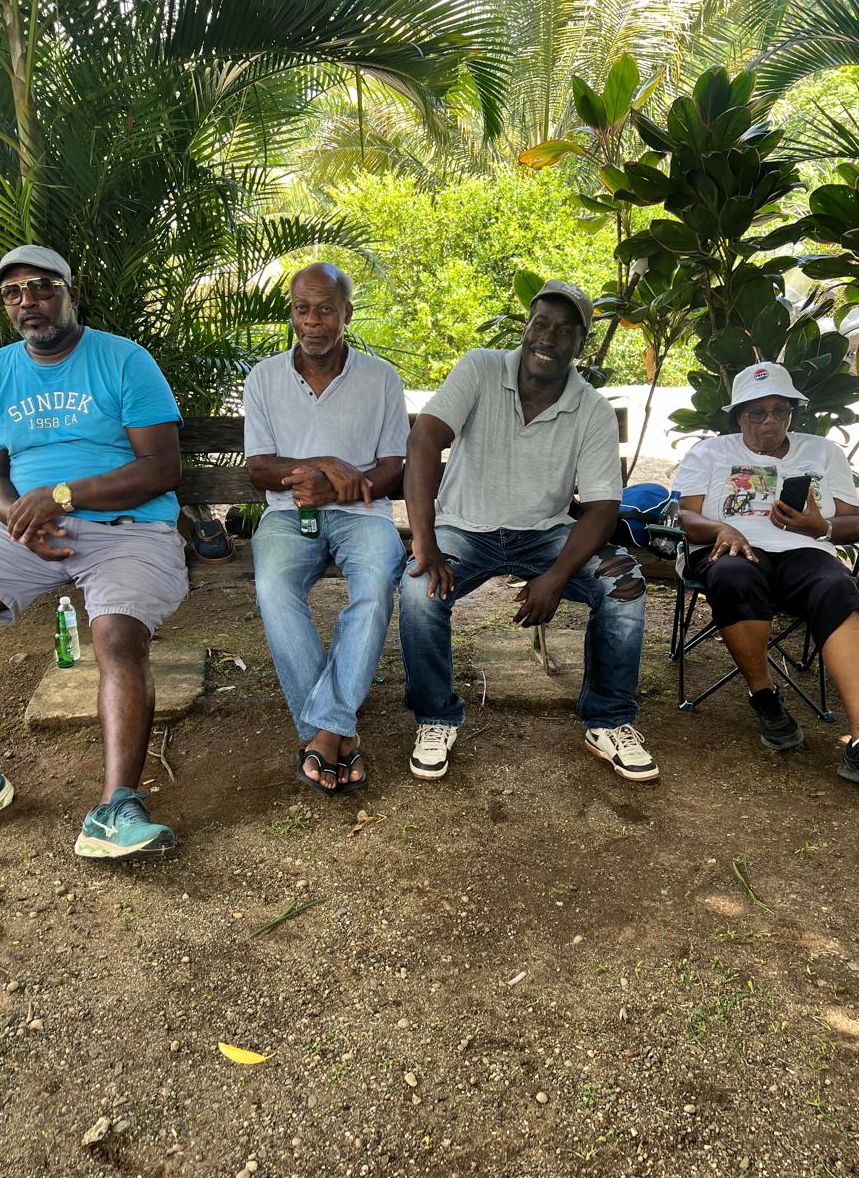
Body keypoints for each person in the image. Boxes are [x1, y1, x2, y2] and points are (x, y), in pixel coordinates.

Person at [0, 245, 188, 855]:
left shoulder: (124, 360)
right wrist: (18, 516)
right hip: (28, 530)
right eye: (13, 293)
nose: (28, 301)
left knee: (116, 633)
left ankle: (116, 807)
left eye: (42, 286)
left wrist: (60, 496)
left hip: (129, 528)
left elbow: (162, 468)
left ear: (70, 291)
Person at [399, 279, 658, 783]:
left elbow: (603, 509)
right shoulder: (480, 368)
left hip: (545, 534)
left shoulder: (592, 410)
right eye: (540, 323)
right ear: (526, 326)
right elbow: (425, 439)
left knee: (624, 583)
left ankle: (608, 721)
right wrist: (424, 542)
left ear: (580, 344)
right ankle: (435, 718)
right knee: (417, 589)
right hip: (464, 529)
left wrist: (556, 577)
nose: (548, 338)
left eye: (564, 331)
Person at [244, 262, 409, 795]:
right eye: (302, 310)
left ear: (347, 315)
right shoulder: (264, 377)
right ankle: (338, 730)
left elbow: (393, 467)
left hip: (362, 516)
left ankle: (324, 732)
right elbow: (258, 468)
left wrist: (335, 487)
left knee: (376, 587)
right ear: (292, 313)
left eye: (325, 310)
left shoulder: (381, 378)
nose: (312, 322)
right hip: (286, 515)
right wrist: (321, 465)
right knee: (273, 588)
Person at [672, 360, 859, 790]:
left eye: (780, 410)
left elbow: (856, 522)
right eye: (756, 412)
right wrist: (722, 528)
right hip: (732, 548)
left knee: (837, 586)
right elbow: (686, 516)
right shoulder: (710, 453)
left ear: (792, 412)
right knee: (733, 575)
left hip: (804, 550)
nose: (769, 421)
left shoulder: (823, 452)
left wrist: (819, 527)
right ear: (737, 416)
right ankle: (764, 695)